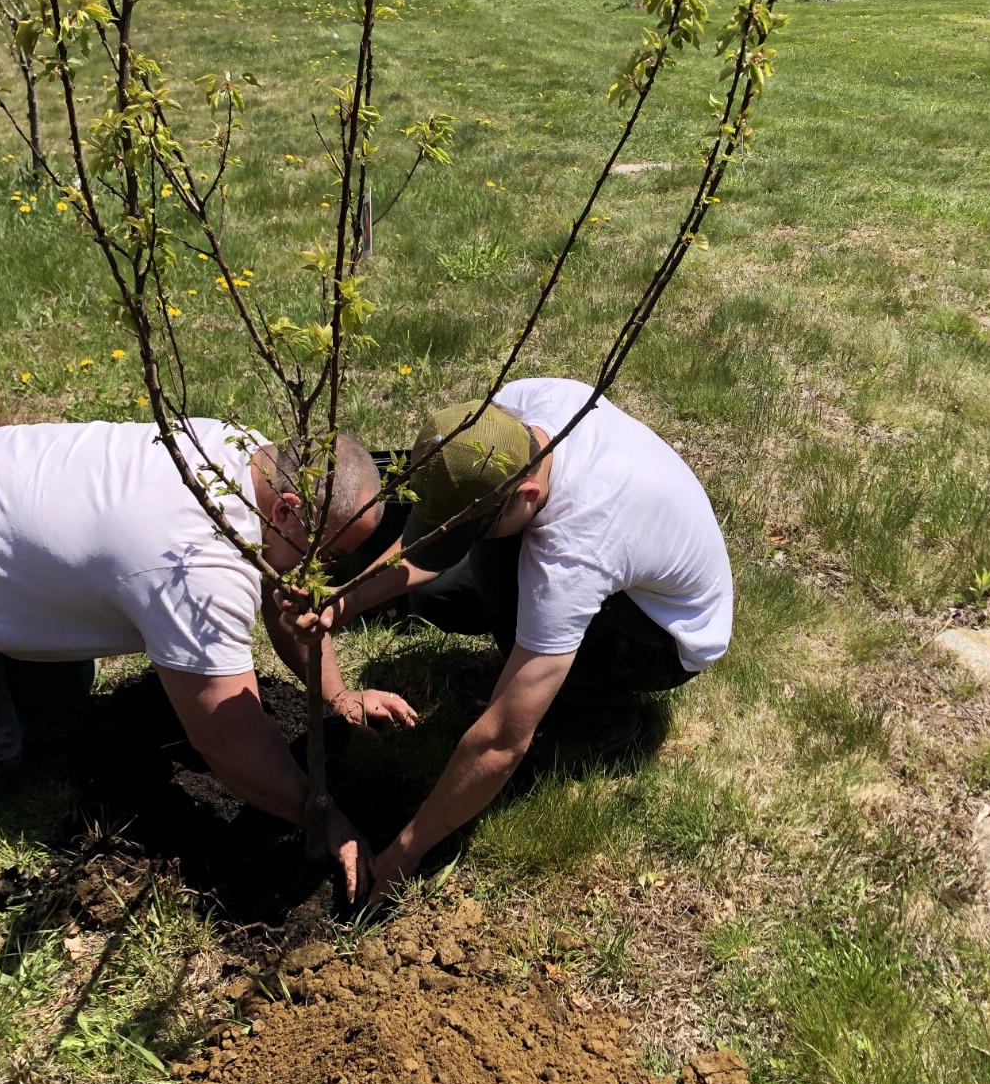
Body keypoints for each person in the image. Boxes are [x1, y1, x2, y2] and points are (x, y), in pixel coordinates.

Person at [313, 377, 733, 905]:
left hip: (666, 635)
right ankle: (534, 643)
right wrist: (341, 602)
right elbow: (430, 543)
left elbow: (500, 742)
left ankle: (603, 723)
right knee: (442, 591)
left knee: (496, 565)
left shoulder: (577, 551)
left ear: (527, 493)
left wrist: (407, 850)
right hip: (625, 563)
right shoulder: (520, 409)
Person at [0, 416, 414, 898]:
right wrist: (325, 818)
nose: (324, 570)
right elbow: (226, 741)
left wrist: (337, 695)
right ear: (287, 511)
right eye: (326, 552)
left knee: (63, 693)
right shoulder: (195, 570)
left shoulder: (242, 458)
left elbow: (284, 602)